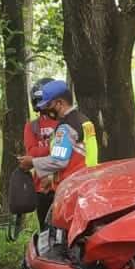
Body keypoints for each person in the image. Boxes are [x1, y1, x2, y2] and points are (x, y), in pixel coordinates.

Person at [17, 79, 97, 191]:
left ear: (59, 103)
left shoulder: (66, 127)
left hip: (73, 187)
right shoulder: (84, 120)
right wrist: (52, 180)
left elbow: (58, 161)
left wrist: (32, 162)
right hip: (87, 181)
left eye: (48, 105)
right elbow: (76, 156)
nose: (46, 109)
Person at [23, 79, 60, 228]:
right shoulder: (32, 126)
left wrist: (45, 149)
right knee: (46, 229)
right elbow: (32, 152)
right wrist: (54, 146)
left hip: (63, 184)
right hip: (42, 188)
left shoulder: (66, 122)